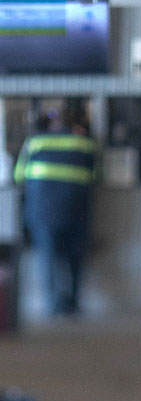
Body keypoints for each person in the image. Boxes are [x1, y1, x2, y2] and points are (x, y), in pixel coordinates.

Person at [14, 107, 99, 316]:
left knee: (48, 258)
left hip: (43, 213)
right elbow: (97, 175)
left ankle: (52, 305)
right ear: (73, 124)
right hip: (76, 211)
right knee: (75, 259)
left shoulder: (35, 142)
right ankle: (74, 303)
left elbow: (18, 175)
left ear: (50, 124)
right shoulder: (85, 144)